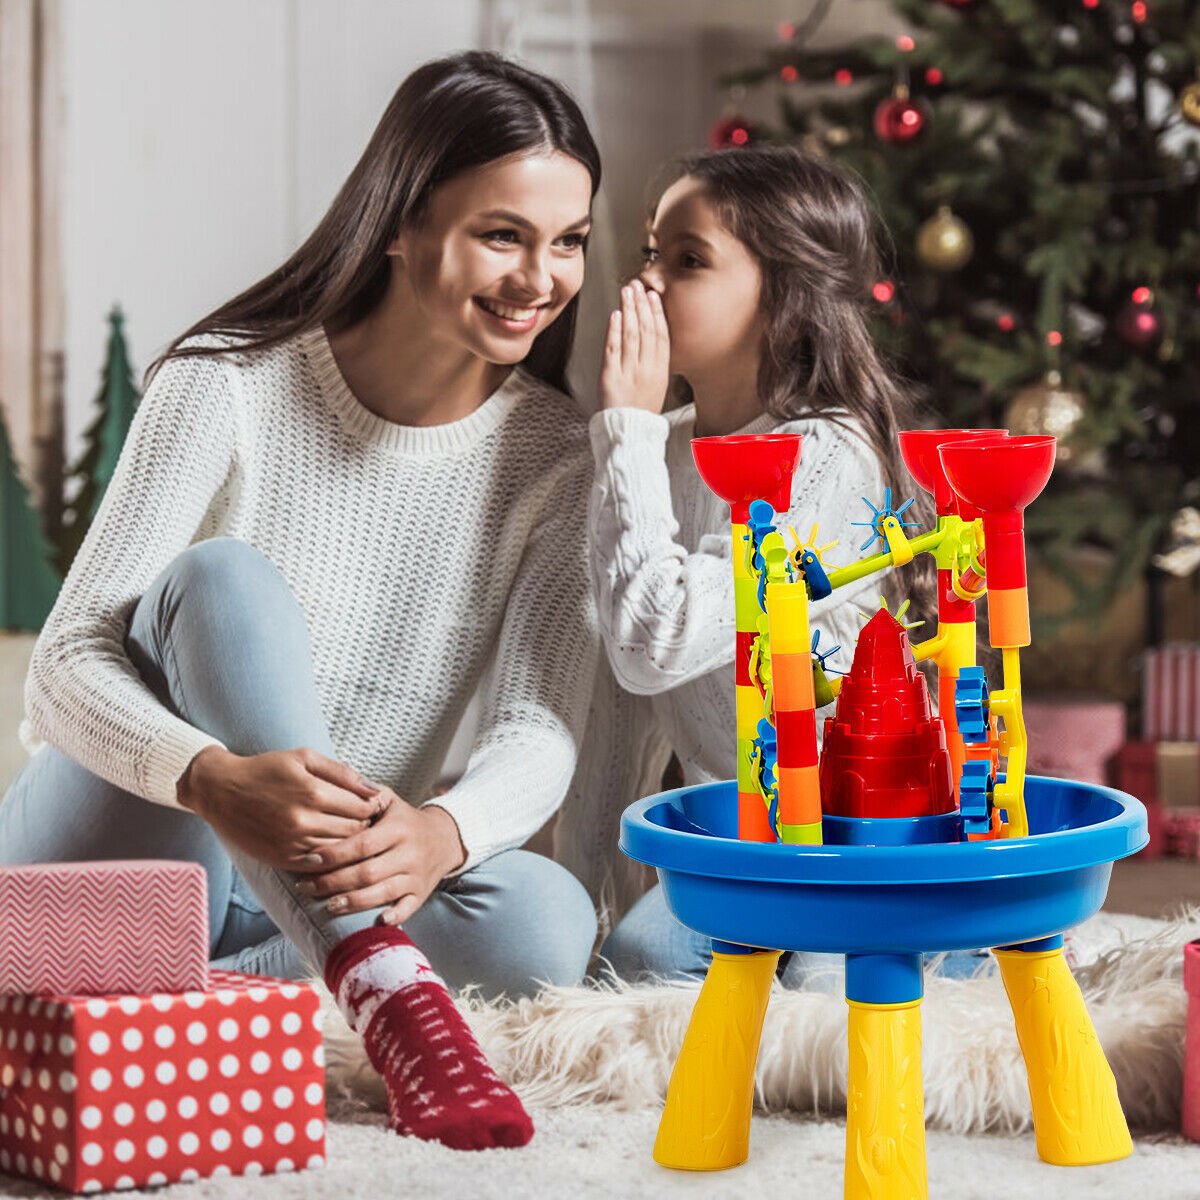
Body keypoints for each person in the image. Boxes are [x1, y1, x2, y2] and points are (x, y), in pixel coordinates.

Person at [0, 51, 604, 1151]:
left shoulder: (560, 457)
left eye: (570, 241)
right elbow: (66, 661)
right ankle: (380, 982)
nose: (542, 277)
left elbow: (535, 722)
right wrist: (212, 780)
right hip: (135, 834)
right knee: (222, 579)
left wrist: (440, 832)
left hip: (306, 892)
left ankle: (203, 992)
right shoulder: (228, 382)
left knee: (548, 918)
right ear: (399, 224)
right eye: (504, 234)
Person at [584, 144, 989, 987]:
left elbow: (653, 638)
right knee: (639, 961)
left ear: (784, 297)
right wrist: (589, 905)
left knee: (829, 990)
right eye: (650, 255)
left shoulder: (826, 457)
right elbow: (623, 709)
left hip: (864, 830)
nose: (646, 285)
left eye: (687, 261)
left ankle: (962, 945)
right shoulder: (650, 457)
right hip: (750, 842)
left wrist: (624, 427)